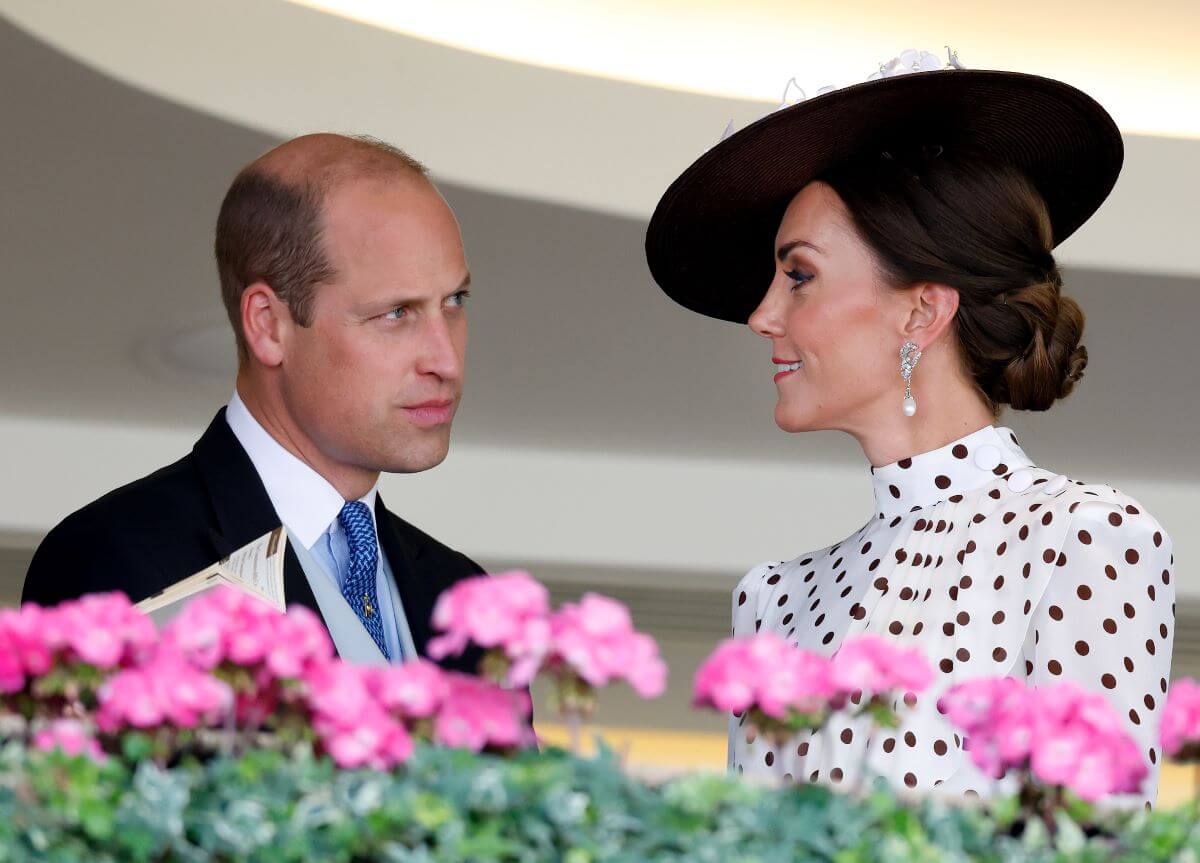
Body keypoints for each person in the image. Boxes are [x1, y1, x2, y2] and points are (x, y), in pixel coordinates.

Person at [645, 50, 1175, 805]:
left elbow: (1101, 843)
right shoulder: (773, 598)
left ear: (921, 311)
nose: (762, 315)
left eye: (798, 275)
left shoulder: (1084, 536)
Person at [23, 133, 483, 673]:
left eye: (454, 302)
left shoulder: (464, 597)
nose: (446, 360)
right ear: (268, 325)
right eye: (396, 313)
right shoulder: (111, 559)